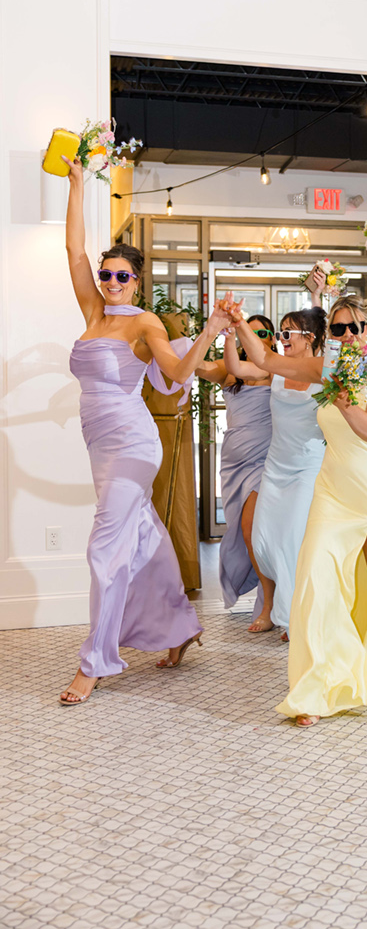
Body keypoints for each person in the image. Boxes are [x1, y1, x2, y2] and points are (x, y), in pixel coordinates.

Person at [58, 156, 224, 705]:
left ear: (137, 282)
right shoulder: (92, 313)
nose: (109, 281)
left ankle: (96, 662)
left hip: (133, 443)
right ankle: (180, 627)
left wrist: (209, 333)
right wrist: (79, 184)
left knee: (105, 548)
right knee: (143, 538)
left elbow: (176, 374)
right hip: (99, 445)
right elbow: (73, 252)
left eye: (120, 276)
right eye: (105, 274)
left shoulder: (144, 323)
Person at [234, 292, 367, 727]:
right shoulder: (326, 367)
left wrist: (340, 396)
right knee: (314, 578)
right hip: (333, 491)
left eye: (355, 328)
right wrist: (235, 322)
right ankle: (314, 688)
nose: (347, 336)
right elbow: (267, 361)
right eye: (338, 329)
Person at [249, 307, 328, 633]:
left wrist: (318, 296)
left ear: (309, 337)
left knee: (293, 540)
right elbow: (236, 366)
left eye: (287, 332)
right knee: (263, 539)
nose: (281, 338)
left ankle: (295, 616)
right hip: (276, 467)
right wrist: (230, 330)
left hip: (306, 468)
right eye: (280, 332)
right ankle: (286, 606)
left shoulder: (323, 369)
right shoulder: (276, 369)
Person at [207, 318, 276, 630]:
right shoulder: (231, 371)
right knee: (240, 531)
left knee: (251, 529)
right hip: (233, 464)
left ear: (272, 339)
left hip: (264, 461)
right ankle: (269, 591)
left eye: (262, 332)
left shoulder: (275, 370)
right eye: (250, 330)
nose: (255, 336)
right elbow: (195, 367)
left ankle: (271, 601)